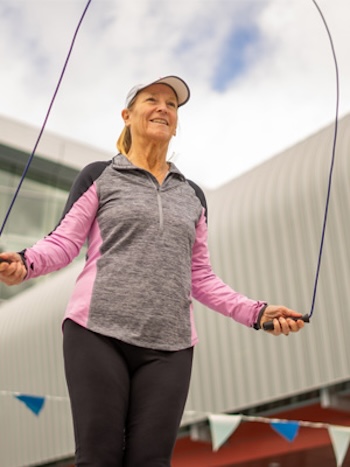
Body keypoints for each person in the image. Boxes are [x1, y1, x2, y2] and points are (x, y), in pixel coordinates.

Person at [0, 75, 305, 467]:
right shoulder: (99, 176)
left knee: (151, 461)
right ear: (127, 115)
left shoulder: (192, 195)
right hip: (96, 332)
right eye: (152, 100)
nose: (163, 108)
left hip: (171, 345)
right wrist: (24, 263)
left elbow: (201, 277)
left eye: (172, 105)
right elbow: (63, 243)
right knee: (99, 457)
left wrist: (258, 312)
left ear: (176, 123)